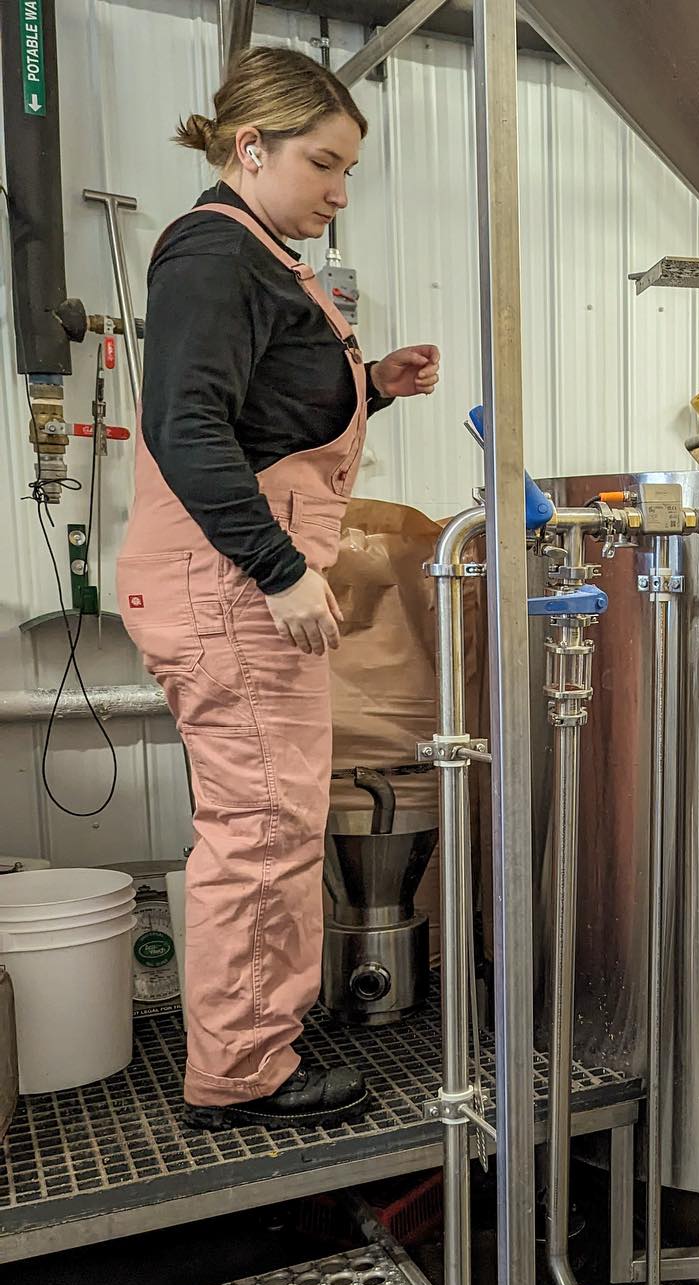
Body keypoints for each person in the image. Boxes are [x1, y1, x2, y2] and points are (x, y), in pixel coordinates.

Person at [117, 47, 440, 1131]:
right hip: (230, 587)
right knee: (262, 828)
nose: (340, 192)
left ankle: (251, 1040)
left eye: (349, 171)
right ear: (251, 148)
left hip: (229, 582)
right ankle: (246, 1071)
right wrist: (280, 568)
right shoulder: (216, 252)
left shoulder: (256, 255)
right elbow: (187, 426)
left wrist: (373, 386)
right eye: (323, 164)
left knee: (270, 819)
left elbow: (258, 414)